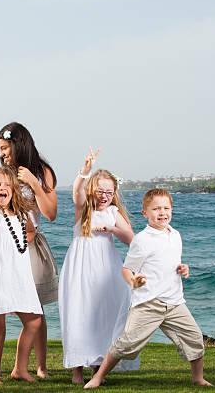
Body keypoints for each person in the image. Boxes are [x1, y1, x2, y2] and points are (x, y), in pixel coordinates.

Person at [84, 189, 212, 389]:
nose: (162, 213)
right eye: (156, 209)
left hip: (175, 302)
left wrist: (182, 268)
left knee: (195, 339)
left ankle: (198, 378)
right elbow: (127, 269)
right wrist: (133, 281)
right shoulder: (142, 239)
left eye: (166, 208)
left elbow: (170, 264)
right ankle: (98, 377)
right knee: (127, 344)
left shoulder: (175, 235)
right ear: (145, 213)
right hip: (148, 303)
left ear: (172, 210)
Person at [59, 147, 139, 384]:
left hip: (107, 269)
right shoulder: (83, 209)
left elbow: (131, 239)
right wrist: (85, 171)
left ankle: (97, 367)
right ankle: (76, 370)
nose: (104, 196)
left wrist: (113, 229)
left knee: (103, 314)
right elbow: (76, 191)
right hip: (80, 267)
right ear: (92, 190)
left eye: (109, 192)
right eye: (100, 190)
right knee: (78, 312)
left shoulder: (113, 212)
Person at [0, 122, 59, 378]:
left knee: (37, 309)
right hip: (6, 244)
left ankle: (41, 366)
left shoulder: (43, 172)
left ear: (18, 144)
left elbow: (51, 213)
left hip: (31, 247)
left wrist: (34, 183)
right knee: (1, 310)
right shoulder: (2, 173)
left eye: (4, 147)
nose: (2, 153)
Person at [0, 166, 42, 384]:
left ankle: (20, 369)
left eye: (6, 185)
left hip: (19, 276)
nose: (2, 188)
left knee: (34, 321)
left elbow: (30, 231)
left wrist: (21, 244)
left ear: (14, 189)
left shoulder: (22, 213)